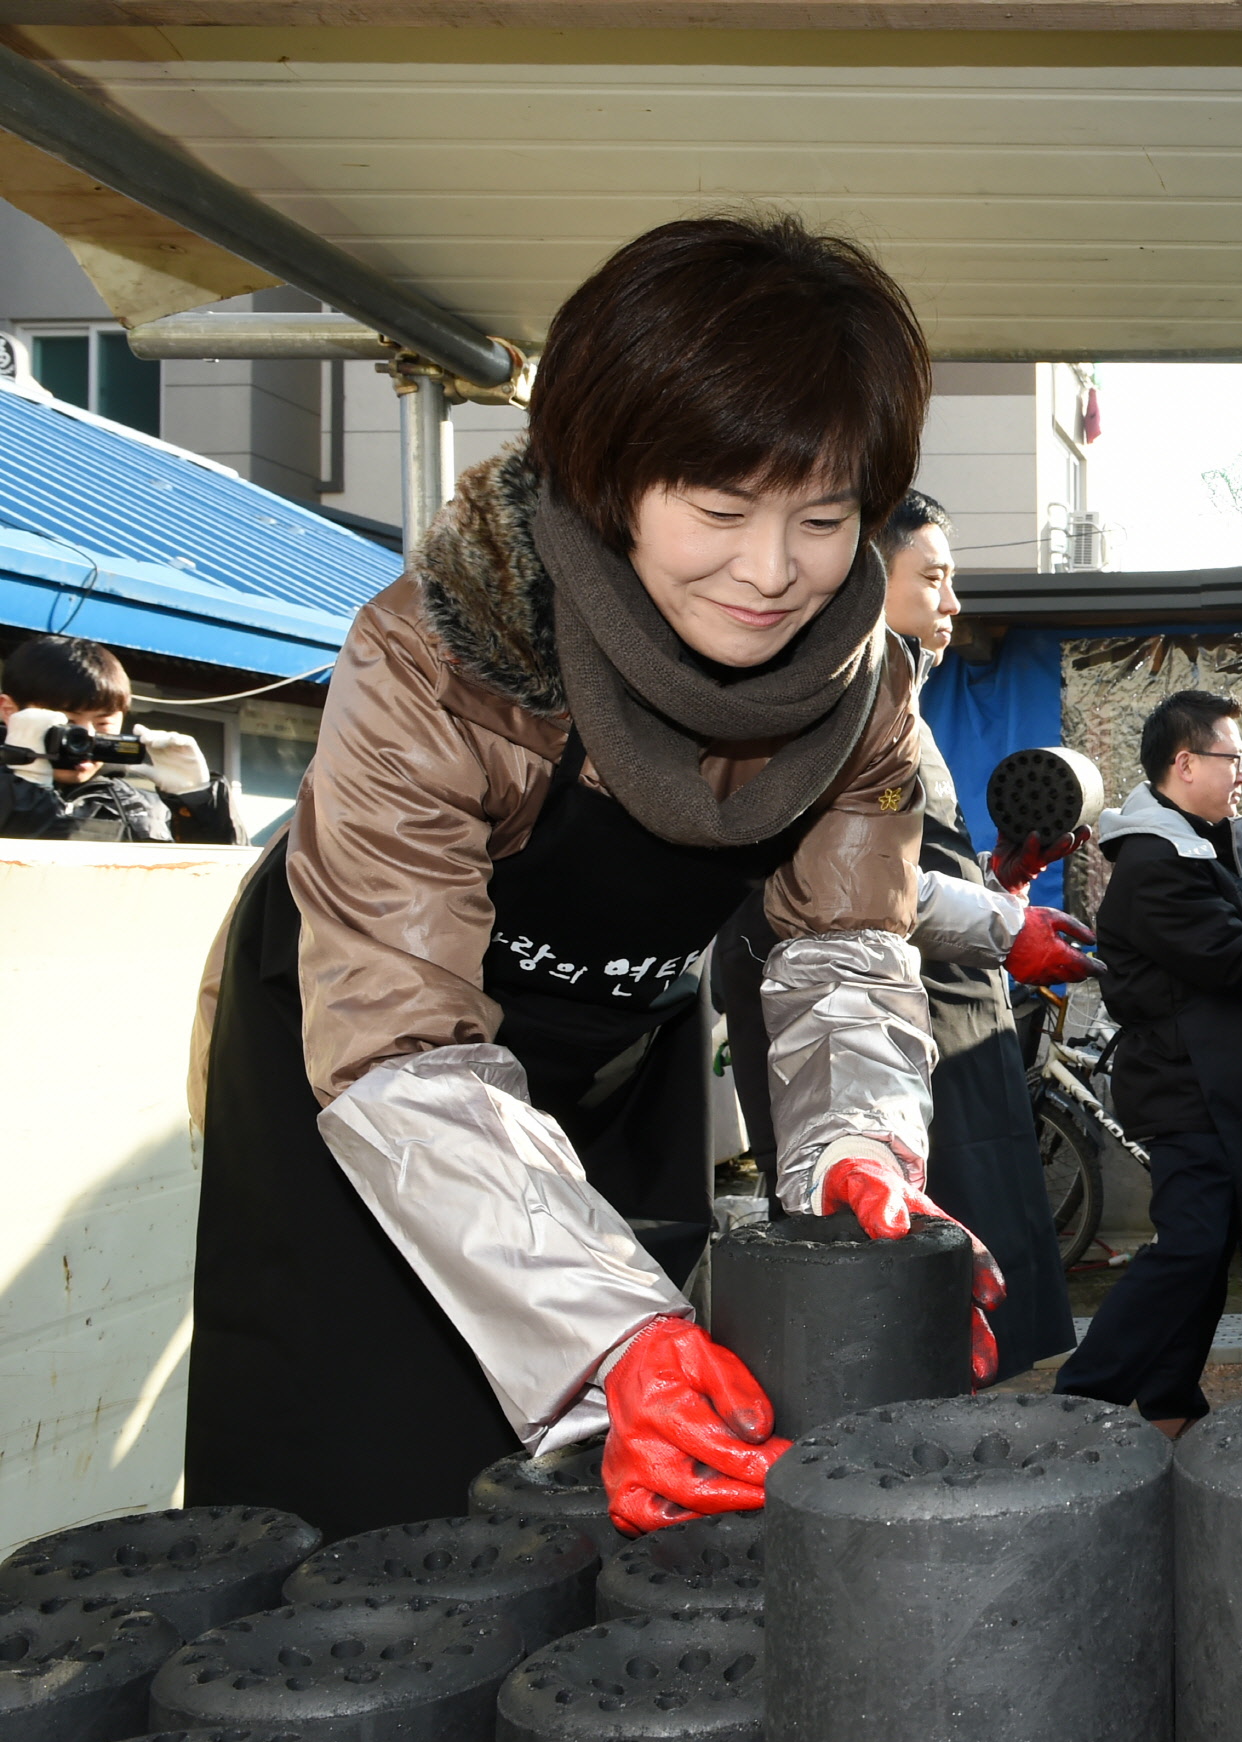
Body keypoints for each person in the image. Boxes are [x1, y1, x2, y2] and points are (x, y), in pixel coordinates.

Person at [186, 214, 993, 1540]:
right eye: (721, 509)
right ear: (610, 481)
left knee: (656, 1477)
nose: (773, 569)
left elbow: (842, 952)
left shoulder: (865, 696)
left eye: (826, 515)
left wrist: (861, 1148)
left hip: (618, 1052)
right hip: (372, 1066)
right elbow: (401, 1049)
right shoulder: (435, 653)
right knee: (380, 1491)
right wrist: (609, 1330)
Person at [712, 489, 1097, 1380]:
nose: (952, 603)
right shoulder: (820, 698)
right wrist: (1006, 927)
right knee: (899, 1283)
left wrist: (998, 886)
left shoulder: (900, 701)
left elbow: (909, 869)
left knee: (973, 1282)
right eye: (935, 577)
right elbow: (841, 888)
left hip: (947, 1013)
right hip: (880, 1020)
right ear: (864, 571)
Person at [1056, 690, 1242, 1433]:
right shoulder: (1156, 862)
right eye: (1232, 757)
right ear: (1185, 762)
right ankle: (1084, 1396)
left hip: (1201, 1084)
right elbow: (1236, 960)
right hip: (1182, 1087)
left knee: (1206, 1248)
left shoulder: (1192, 843)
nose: (1241, 774)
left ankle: (1171, 1401)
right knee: (1193, 1244)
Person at [0, 634, 240, 843]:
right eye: (69, 724)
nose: (87, 739)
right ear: (9, 710)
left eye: (103, 723)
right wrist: (26, 786)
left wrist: (198, 803)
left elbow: (228, 884)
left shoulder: (145, 809)